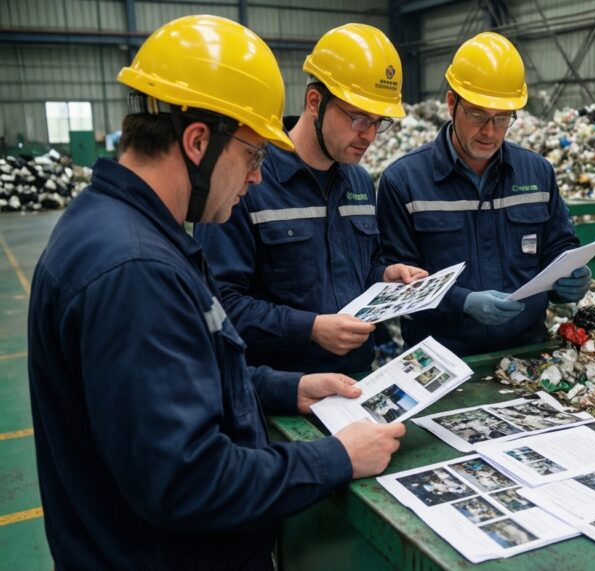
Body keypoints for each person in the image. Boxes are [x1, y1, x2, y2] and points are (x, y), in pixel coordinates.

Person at [26, 16, 404, 569]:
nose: (256, 178)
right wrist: (335, 459)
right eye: (252, 157)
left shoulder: (120, 229)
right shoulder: (133, 270)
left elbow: (189, 374)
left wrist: (286, 387)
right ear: (199, 142)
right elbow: (189, 481)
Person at [195, 23, 425, 375]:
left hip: (356, 380)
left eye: (380, 122)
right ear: (315, 102)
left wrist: (386, 275)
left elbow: (364, 267)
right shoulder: (248, 182)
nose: (370, 135)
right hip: (279, 395)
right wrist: (311, 329)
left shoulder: (360, 182)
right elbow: (220, 305)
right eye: (359, 118)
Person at [377, 32, 590, 356]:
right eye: (477, 114)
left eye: (502, 118)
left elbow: (558, 246)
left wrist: (571, 279)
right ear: (452, 103)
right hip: (441, 359)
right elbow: (397, 281)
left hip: (527, 354)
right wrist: (462, 302)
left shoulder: (537, 173)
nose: (490, 131)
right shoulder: (404, 181)